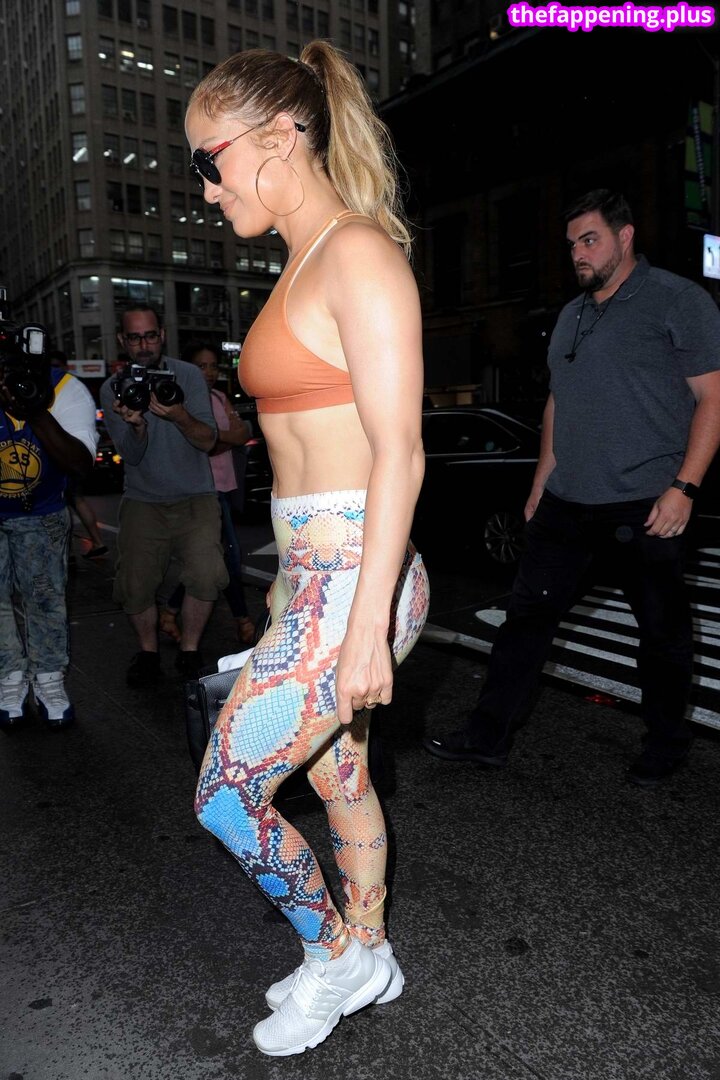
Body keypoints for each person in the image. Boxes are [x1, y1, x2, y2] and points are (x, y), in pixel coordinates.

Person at [185, 42, 430, 1056]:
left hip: (359, 582)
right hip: (315, 580)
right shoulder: (303, 261)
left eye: (209, 160)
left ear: (278, 138)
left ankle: (336, 957)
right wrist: (292, 600)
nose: (206, 188)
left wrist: (362, 627)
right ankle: (372, 951)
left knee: (224, 796)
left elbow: (400, 450)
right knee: (338, 782)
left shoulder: (357, 253)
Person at [424, 188, 720, 789]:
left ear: (625, 236)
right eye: (572, 245)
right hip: (567, 504)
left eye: (590, 240)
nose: (578, 254)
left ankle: (665, 742)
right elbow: (559, 401)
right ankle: (487, 737)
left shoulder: (677, 300)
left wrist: (684, 487)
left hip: (645, 503)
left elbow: (713, 398)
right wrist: (541, 480)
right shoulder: (572, 315)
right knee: (524, 622)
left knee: (661, 633)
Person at [99, 306, 228, 686]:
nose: (144, 345)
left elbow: (208, 440)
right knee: (134, 584)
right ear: (122, 340)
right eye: (134, 337)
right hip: (143, 498)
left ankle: (189, 650)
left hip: (196, 495)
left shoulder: (187, 375)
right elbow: (131, 456)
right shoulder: (113, 388)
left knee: (207, 575)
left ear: (163, 335)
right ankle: (148, 653)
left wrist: (179, 415)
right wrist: (136, 427)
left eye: (150, 335)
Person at [0, 333, 98, 728]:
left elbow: (80, 465)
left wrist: (35, 410)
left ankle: (49, 679)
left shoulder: (64, 388)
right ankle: (9, 677)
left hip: (42, 513)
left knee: (45, 599)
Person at [159, 340, 256, 646]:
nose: (210, 372)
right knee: (229, 556)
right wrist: (219, 438)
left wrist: (215, 437)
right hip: (202, 491)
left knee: (212, 560)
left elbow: (242, 433)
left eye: (214, 366)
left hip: (224, 486)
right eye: (202, 366)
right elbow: (205, 444)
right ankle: (243, 620)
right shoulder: (182, 403)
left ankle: (170, 611)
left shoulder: (218, 396)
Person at [48, 349, 108, 559]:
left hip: (69, 457)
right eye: (50, 366)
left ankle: (83, 546)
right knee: (75, 500)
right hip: (62, 457)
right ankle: (94, 542)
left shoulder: (71, 388)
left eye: (56, 366)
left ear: (65, 367)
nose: (53, 370)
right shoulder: (48, 385)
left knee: (68, 502)